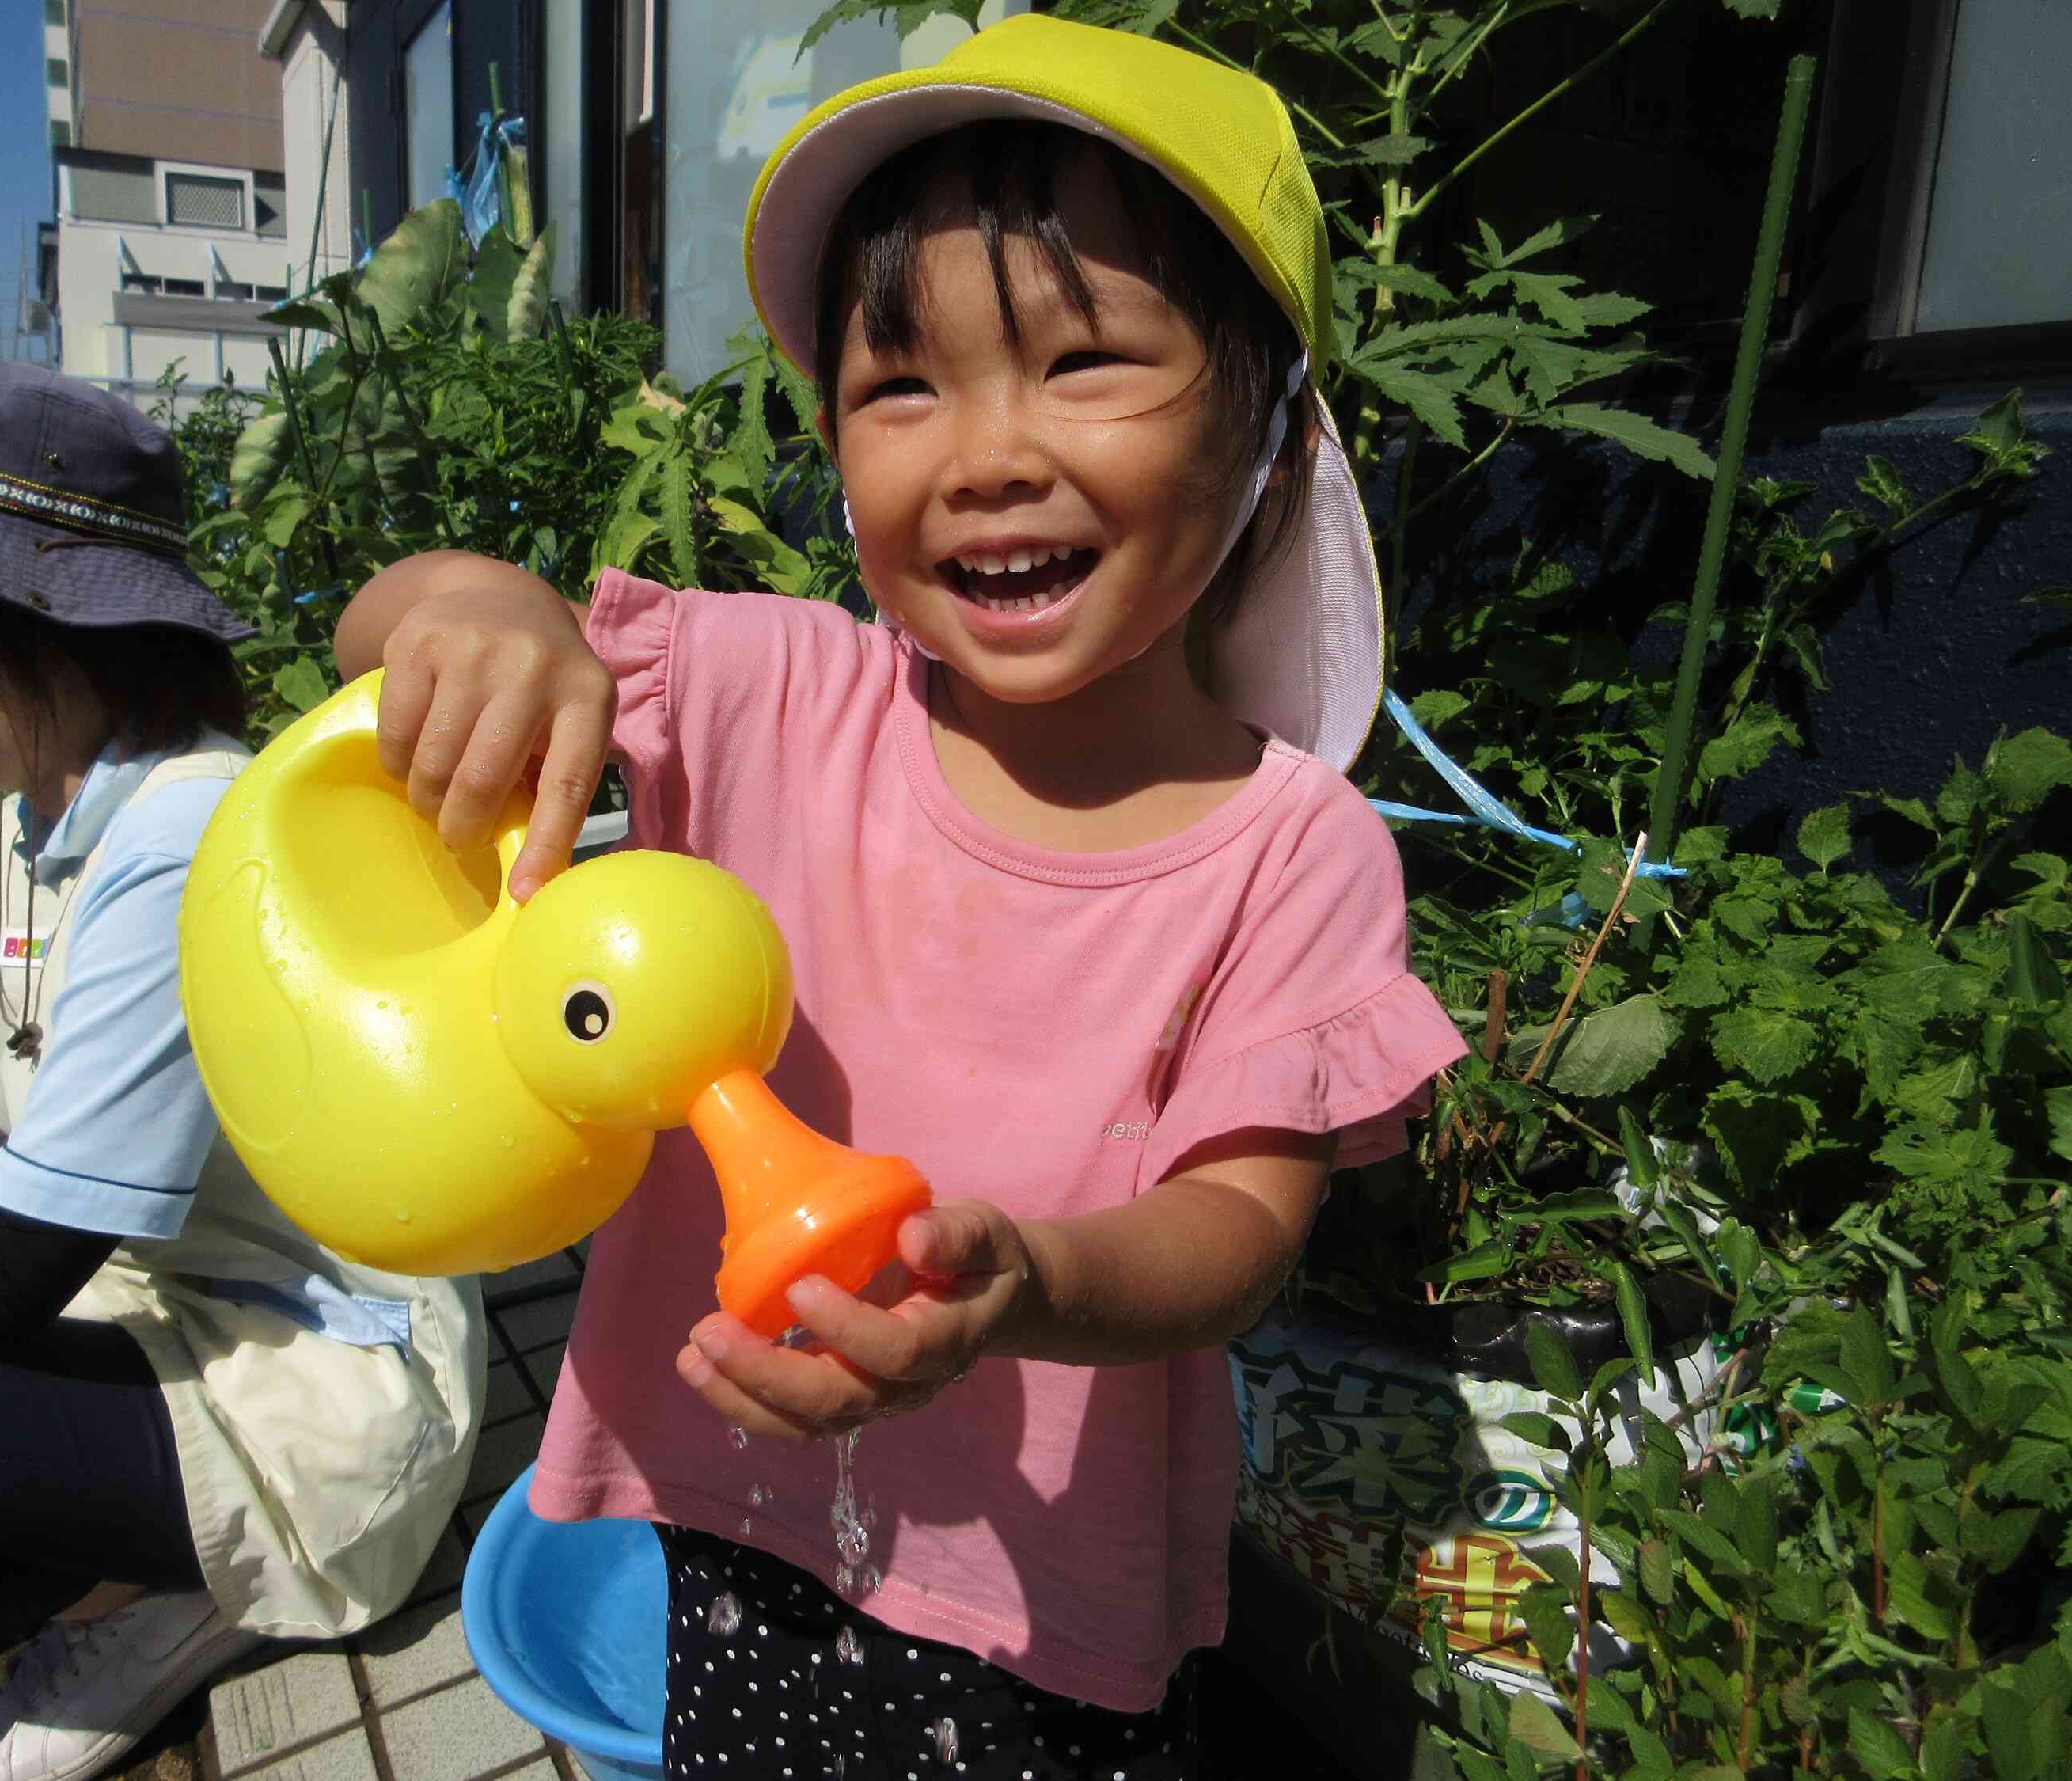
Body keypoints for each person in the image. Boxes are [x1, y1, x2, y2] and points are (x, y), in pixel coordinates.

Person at [336, 17, 1466, 1778]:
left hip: (1039, 1606)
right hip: (727, 1508)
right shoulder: (774, 694)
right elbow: (387, 628)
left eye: (1084, 360)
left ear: (1265, 425)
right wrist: (481, 608)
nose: (984, 453)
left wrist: (1029, 1276)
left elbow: (1238, 1233)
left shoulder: (1291, 852)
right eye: (902, 384)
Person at [0, 359, 488, 1781]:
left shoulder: (186, 837)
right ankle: (86, 1557)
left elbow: (3, 1269)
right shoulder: (34, 823)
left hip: (311, 1398)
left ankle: (148, 1589)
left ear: (43, 626)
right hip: (155, 1305)